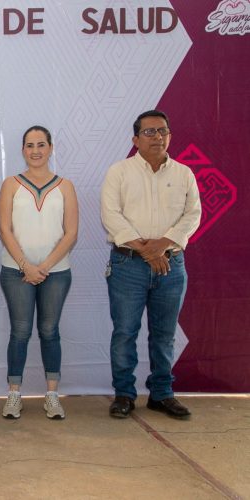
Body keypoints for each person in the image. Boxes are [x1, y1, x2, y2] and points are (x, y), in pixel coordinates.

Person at [101, 110, 201, 420]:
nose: (157, 137)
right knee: (125, 332)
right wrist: (147, 249)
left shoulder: (184, 173)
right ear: (135, 139)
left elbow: (192, 214)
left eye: (162, 131)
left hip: (171, 266)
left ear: (169, 136)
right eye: (149, 132)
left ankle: (162, 394)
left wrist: (163, 243)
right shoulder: (119, 172)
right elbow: (111, 215)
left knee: (164, 334)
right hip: (127, 265)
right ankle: (124, 395)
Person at [0, 126, 78, 420]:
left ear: (51, 148)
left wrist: (43, 267)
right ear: (22, 150)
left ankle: (52, 395)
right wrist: (25, 266)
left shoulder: (65, 186)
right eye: (29, 145)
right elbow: (5, 229)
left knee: (49, 331)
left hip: (56, 273)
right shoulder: (11, 184)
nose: (35, 150)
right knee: (20, 332)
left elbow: (71, 233)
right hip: (16, 272)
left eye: (41, 144)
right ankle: (14, 394)